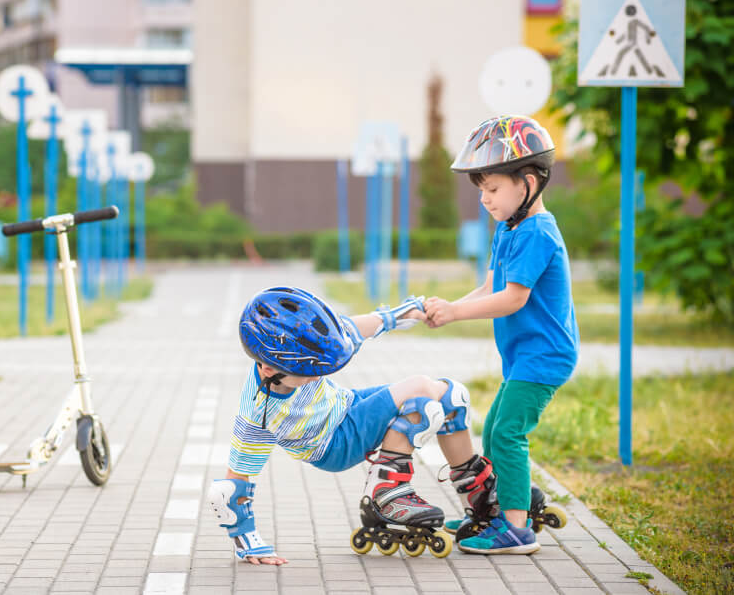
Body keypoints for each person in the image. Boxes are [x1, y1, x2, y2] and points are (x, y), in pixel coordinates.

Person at [206, 286, 498, 564]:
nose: (316, 375)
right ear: (269, 369)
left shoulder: (296, 351)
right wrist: (246, 542)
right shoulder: (259, 413)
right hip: (334, 445)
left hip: (346, 405)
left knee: (451, 396)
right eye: (308, 372)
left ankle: (477, 494)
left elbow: (354, 329)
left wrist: (404, 312)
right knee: (421, 397)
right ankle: (385, 495)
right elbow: (233, 488)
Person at [423, 115, 579, 555]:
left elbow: (512, 299)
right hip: (523, 353)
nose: (485, 200)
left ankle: (515, 529)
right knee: (495, 430)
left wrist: (456, 314)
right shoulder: (509, 228)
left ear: (527, 182)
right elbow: (491, 288)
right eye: (481, 192)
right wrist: (448, 307)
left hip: (544, 355)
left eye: (492, 190)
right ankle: (497, 509)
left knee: (506, 431)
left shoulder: (538, 232)